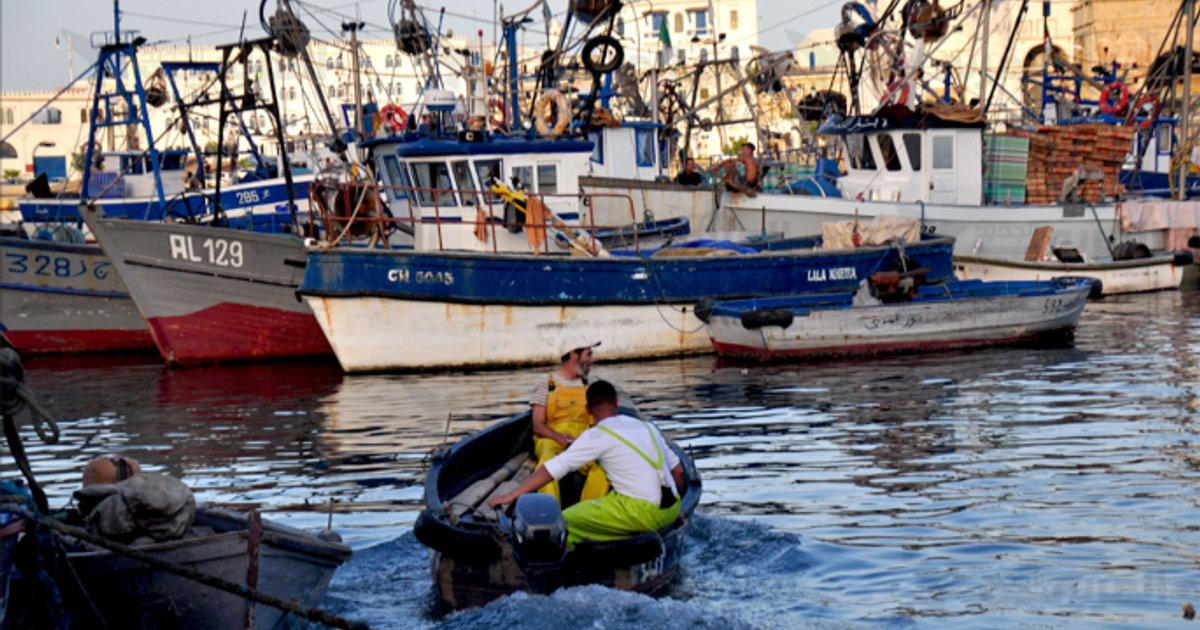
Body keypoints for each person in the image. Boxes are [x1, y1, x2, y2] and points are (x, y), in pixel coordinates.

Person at [490, 380, 684, 545]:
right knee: (607, 502)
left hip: (639, 513)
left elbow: (553, 468)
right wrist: (673, 513)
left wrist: (511, 495)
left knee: (560, 523)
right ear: (616, 403)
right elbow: (678, 472)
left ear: (588, 410)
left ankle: (567, 569)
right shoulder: (647, 427)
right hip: (671, 509)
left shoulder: (597, 434)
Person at [527, 334, 610, 504]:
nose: (592, 359)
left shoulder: (592, 383)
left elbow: (599, 422)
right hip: (551, 440)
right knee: (546, 462)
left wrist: (584, 441)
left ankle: (589, 513)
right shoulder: (546, 383)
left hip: (583, 441)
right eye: (589, 354)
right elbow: (538, 425)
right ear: (574, 355)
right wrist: (560, 438)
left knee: (603, 468)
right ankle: (551, 511)